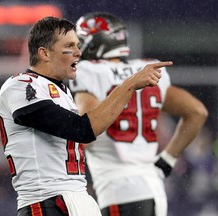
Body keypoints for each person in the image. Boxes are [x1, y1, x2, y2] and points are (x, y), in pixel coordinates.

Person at [0, 16, 172, 216]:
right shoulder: (22, 86)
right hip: (45, 201)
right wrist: (129, 84)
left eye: (78, 45)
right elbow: (81, 129)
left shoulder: (62, 92)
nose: (79, 53)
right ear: (44, 53)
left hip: (78, 198)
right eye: (69, 46)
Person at [69, 12, 208, 216]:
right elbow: (197, 111)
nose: (75, 48)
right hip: (154, 189)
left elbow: (83, 134)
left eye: (79, 42)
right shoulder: (144, 71)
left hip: (120, 190)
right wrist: (168, 158)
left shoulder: (89, 71)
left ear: (93, 44)